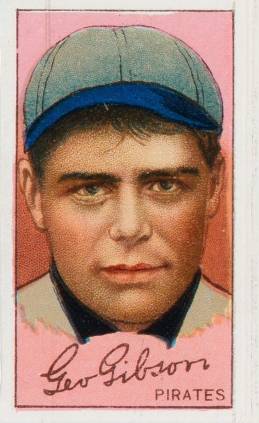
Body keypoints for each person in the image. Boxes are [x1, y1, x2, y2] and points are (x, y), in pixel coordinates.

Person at [15, 25, 231, 347]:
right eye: (91, 189)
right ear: (34, 195)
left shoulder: (253, 333)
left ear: (213, 186)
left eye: (164, 185)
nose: (129, 228)